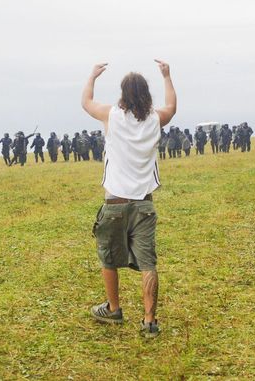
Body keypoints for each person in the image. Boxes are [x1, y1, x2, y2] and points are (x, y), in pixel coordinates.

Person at [81, 59, 176, 338]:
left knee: (108, 257)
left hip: (115, 202)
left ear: (123, 94)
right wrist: (167, 76)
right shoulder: (155, 119)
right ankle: (149, 321)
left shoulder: (112, 116)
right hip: (145, 204)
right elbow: (171, 107)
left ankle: (113, 308)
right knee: (148, 262)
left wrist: (92, 75)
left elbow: (86, 101)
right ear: (146, 94)